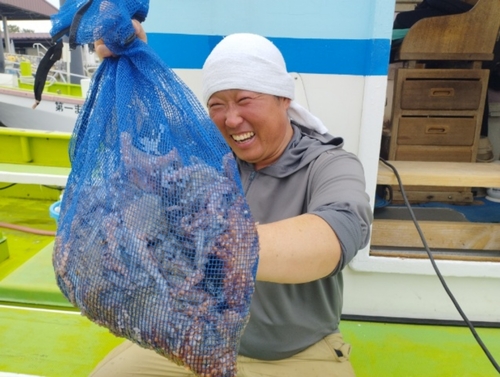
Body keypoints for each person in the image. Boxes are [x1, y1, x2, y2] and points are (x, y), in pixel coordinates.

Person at [90, 22, 373, 377]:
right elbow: (142, 138)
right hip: (196, 340)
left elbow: (338, 232)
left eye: (245, 100)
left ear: (283, 98)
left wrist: (220, 243)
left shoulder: (330, 165)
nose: (232, 118)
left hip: (294, 356)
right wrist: (130, 60)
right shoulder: (207, 160)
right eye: (217, 105)